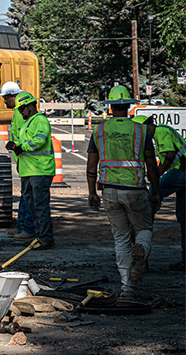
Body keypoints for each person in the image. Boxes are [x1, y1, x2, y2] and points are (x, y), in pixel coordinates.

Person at [86, 86, 161, 299]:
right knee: (144, 228)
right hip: (135, 189)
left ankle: (127, 288)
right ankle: (142, 250)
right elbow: (151, 163)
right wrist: (156, 191)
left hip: (109, 190)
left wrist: (92, 192)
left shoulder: (99, 130)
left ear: (110, 107)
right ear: (128, 106)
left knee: (120, 237)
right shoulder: (141, 130)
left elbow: (92, 164)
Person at [134, 115, 186, 271]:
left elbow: (169, 155)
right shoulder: (161, 132)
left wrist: (157, 175)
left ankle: (143, 229)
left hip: (181, 172)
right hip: (182, 173)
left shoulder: (161, 131)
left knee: (151, 194)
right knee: (183, 217)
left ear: (147, 127)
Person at [5, 92, 55, 249]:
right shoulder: (29, 122)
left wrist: (21, 147)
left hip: (40, 170)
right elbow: (25, 142)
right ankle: (39, 236)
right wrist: (15, 146)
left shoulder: (40, 120)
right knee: (34, 206)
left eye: (22, 109)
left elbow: (38, 141)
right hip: (30, 170)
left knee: (40, 206)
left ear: (31, 106)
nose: (20, 112)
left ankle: (45, 238)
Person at [0, 81, 35, 241]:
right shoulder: (18, 111)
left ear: (15, 96)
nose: (4, 101)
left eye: (6, 98)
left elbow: (25, 137)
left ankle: (27, 228)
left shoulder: (22, 112)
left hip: (30, 162)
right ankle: (21, 227)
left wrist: (17, 147)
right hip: (23, 160)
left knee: (28, 196)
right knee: (24, 195)